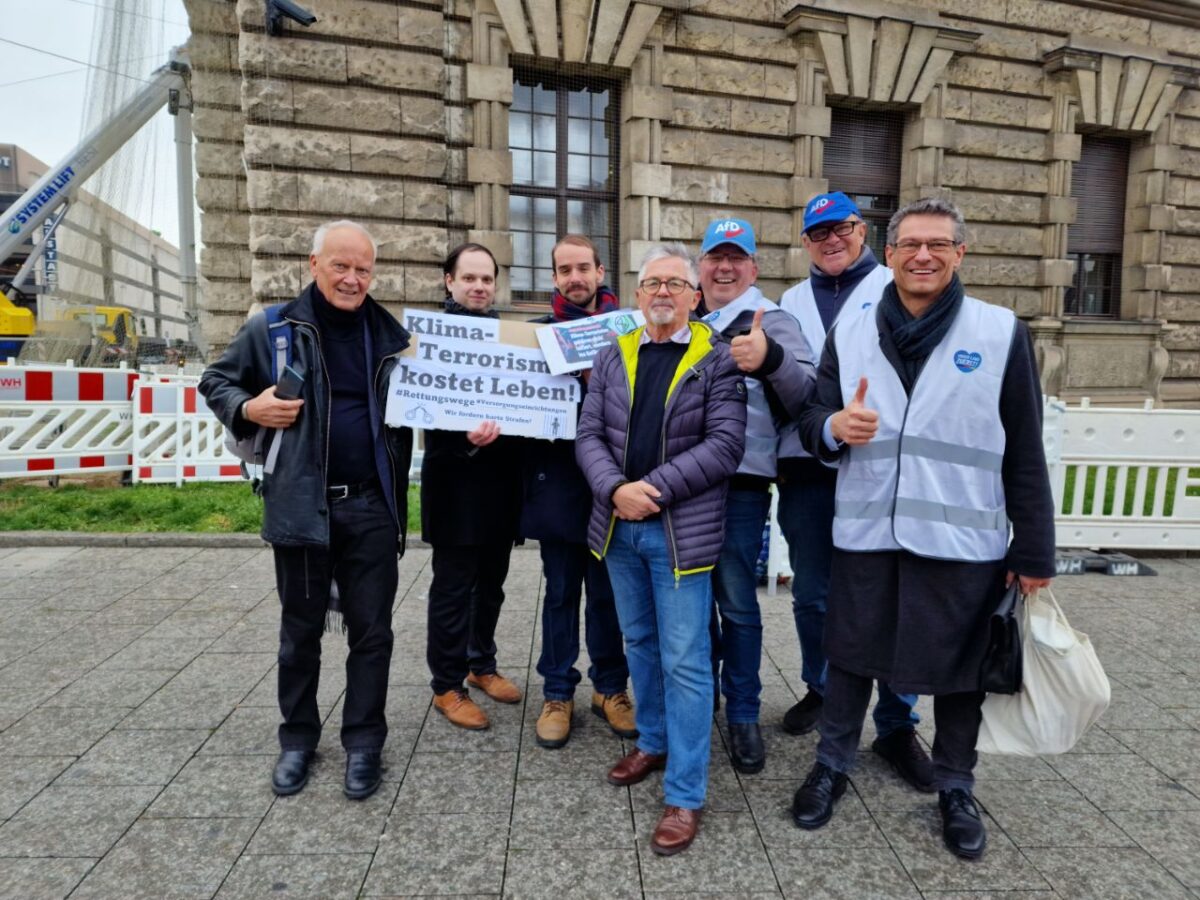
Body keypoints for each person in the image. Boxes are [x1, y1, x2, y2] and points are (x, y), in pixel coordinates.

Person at [788, 198, 1055, 860]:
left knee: (960, 674)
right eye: (910, 244)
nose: (923, 256)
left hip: (962, 540)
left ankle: (956, 786)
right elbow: (811, 416)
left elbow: (1026, 447)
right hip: (868, 530)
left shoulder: (998, 332)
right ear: (891, 251)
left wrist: (1035, 548)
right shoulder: (850, 333)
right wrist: (831, 429)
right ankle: (832, 765)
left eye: (938, 244)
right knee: (849, 657)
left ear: (960, 253)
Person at [199, 220, 412, 801]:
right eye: (340, 266)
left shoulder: (394, 336)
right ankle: (297, 740)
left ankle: (364, 743)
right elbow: (214, 381)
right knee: (300, 634)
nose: (352, 278)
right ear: (312, 266)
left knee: (373, 634)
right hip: (301, 505)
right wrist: (249, 407)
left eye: (363, 269)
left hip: (371, 506)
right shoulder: (272, 329)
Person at [576, 243, 746, 856]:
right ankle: (652, 740)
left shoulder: (717, 362)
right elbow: (588, 434)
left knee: (686, 660)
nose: (664, 293)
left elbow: (726, 446)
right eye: (652, 283)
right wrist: (615, 489)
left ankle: (685, 793)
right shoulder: (612, 353)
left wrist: (652, 489)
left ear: (694, 295)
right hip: (620, 530)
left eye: (676, 282)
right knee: (640, 645)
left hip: (680, 535)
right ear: (637, 294)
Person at [777, 192, 932, 792]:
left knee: (895, 595)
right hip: (811, 465)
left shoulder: (899, 288)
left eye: (840, 228)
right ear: (806, 243)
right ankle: (821, 689)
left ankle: (897, 721)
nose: (830, 240)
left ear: (862, 231)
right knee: (814, 593)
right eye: (817, 234)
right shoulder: (789, 301)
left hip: (883, 467)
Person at [695, 218, 815, 774]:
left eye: (735, 258)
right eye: (715, 257)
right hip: (680, 487)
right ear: (700, 268)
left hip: (740, 487)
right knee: (689, 609)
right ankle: (700, 703)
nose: (724, 267)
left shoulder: (775, 321)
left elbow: (809, 397)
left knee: (737, 604)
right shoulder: (683, 323)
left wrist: (769, 358)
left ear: (753, 268)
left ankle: (742, 712)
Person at [523, 235, 635, 749]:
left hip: (613, 486)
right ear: (554, 277)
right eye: (564, 270)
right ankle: (557, 691)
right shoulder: (536, 338)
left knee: (609, 595)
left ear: (600, 270)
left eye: (583, 268)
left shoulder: (630, 333)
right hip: (560, 487)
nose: (575, 277)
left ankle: (611, 687)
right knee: (562, 592)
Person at [422, 242, 525, 730]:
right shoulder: (429, 337)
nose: (480, 287)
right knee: (452, 589)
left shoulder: (510, 336)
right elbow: (418, 406)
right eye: (470, 278)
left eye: (487, 279)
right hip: (453, 483)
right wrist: (461, 434)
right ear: (449, 280)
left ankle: (480, 663)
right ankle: (446, 685)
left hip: (501, 483)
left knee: (492, 587)